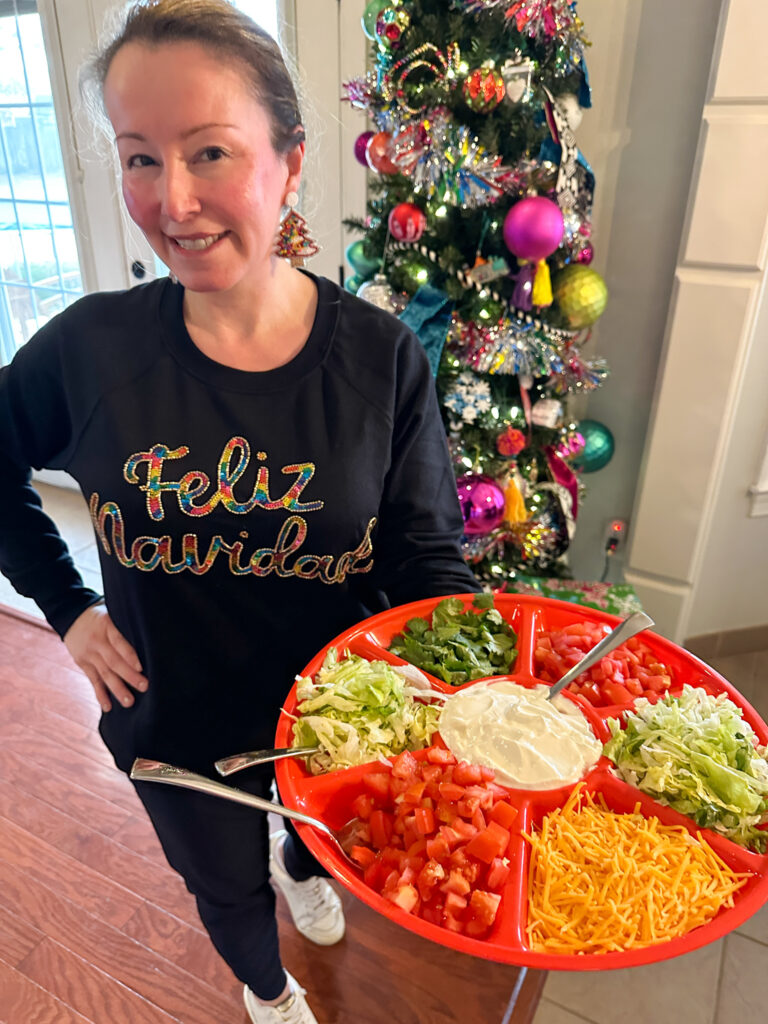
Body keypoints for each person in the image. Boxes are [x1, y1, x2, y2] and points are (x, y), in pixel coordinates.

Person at [0, 2, 479, 1021]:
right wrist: (67, 608)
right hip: (174, 718)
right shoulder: (91, 351)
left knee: (315, 838)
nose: (172, 200)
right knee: (223, 886)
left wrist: (458, 685)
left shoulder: (380, 359)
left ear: (290, 161)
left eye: (209, 151)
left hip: (334, 716)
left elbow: (428, 551)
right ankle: (268, 992)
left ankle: (303, 868)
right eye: (139, 158)